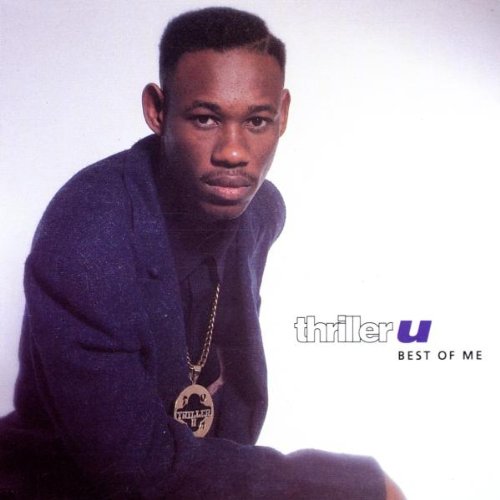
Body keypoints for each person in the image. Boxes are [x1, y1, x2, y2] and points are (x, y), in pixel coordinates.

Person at [0, 7, 404, 499]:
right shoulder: (86, 236)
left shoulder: (260, 211)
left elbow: (229, 383)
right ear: (157, 111)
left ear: (283, 114)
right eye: (205, 118)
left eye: (257, 120)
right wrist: (349, 485)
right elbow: (132, 466)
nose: (233, 152)